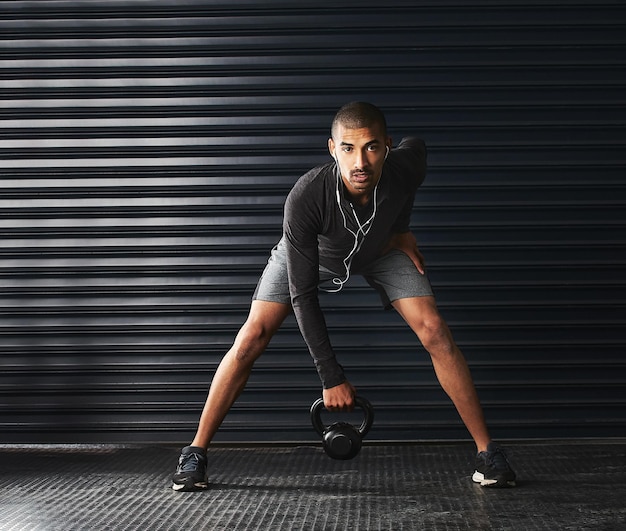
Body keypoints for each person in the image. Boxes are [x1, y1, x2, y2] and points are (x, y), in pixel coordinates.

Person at [172, 102, 516, 491]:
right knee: (251, 337)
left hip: (378, 250)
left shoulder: (405, 166)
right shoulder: (306, 197)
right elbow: (302, 295)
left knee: (435, 330)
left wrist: (400, 228)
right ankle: (195, 452)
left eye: (371, 147)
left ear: (386, 146)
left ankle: (488, 454)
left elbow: (416, 148)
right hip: (310, 257)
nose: (361, 162)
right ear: (332, 149)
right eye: (348, 149)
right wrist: (331, 376)